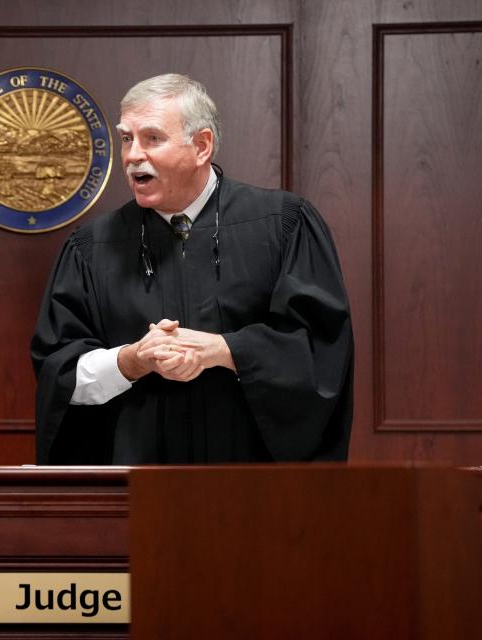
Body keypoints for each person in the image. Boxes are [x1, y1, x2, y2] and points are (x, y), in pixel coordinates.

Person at [30, 74, 353, 464]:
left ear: (202, 145)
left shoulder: (283, 225)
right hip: (135, 487)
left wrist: (225, 349)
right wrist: (131, 360)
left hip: (253, 486)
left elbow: (320, 350)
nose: (132, 155)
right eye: (127, 138)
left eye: (152, 138)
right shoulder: (91, 247)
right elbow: (57, 372)